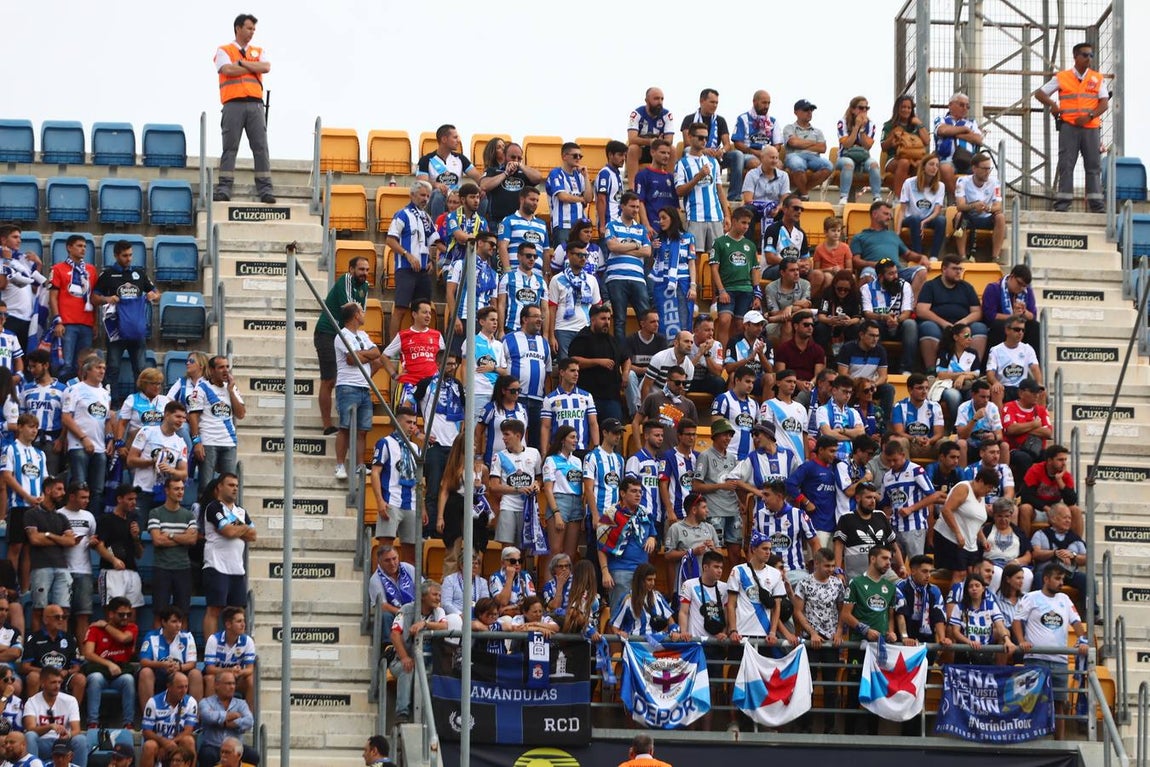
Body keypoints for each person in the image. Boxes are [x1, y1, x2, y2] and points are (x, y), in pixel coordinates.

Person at [1012, 563, 1090, 740]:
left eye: (1062, 579)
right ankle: (1029, 740)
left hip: (1060, 660)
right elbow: (1017, 621)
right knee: (1031, 702)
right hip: (1035, 658)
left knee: (1059, 703)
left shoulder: (1065, 599)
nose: (1061, 582)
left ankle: (1060, 742)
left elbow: (1077, 623)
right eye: (1057, 578)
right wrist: (1022, 641)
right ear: (1046, 579)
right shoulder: (1031, 597)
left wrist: (1083, 640)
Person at [1033, 41, 1109, 213]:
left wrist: (1089, 116)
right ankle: (1062, 205)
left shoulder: (1097, 78)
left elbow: (1104, 104)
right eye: (1084, 55)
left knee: (1093, 166)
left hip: (1090, 127)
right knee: (1066, 165)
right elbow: (1040, 93)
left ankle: (1097, 206)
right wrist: (1053, 104)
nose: (1088, 58)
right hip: (1069, 126)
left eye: (1091, 55)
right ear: (1075, 57)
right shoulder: (1062, 77)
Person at [211, 14, 273, 203]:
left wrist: (242, 63)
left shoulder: (257, 50)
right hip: (233, 105)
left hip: (255, 104)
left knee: (260, 147)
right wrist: (253, 67)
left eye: (254, 29)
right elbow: (227, 70)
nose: (252, 32)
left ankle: (265, 189)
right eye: (248, 28)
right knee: (230, 147)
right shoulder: (224, 50)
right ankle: (224, 188)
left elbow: (266, 67)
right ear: (238, 28)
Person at [839, 544, 899, 735]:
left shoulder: (890, 587)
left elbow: (890, 615)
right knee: (855, 691)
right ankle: (848, 736)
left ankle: (874, 736)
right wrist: (864, 629)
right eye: (884, 558)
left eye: (890, 559)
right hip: (860, 646)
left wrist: (891, 632)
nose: (888, 563)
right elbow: (846, 615)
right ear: (872, 559)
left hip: (880, 649)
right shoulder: (856, 583)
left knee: (876, 692)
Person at [93, 240, 159, 406]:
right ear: (116, 255)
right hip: (115, 330)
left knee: (141, 369)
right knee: (113, 367)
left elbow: (156, 292)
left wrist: (152, 295)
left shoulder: (139, 274)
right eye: (125, 256)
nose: (128, 259)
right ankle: (112, 402)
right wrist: (107, 299)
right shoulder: (107, 275)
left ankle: (141, 403)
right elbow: (94, 298)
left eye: (130, 255)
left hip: (136, 329)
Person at [313, 257, 370, 435]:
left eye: (367, 270)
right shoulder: (345, 279)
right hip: (328, 332)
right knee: (329, 379)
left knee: (361, 368)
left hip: (345, 333)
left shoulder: (365, 286)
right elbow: (349, 308)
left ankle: (341, 417)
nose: (365, 273)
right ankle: (327, 424)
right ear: (351, 269)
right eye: (361, 269)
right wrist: (357, 311)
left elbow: (361, 313)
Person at [414, 352, 464, 537]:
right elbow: (406, 406)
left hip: (454, 447)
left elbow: (465, 412)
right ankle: (430, 531)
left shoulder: (458, 386)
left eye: (454, 364)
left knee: (453, 490)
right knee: (434, 489)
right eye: (448, 364)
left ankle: (450, 531)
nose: (452, 368)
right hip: (434, 446)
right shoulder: (426, 384)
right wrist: (418, 433)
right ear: (438, 363)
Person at [199, 473, 254, 638]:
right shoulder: (214, 507)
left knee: (237, 612)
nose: (235, 488)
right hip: (217, 565)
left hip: (236, 568)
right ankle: (211, 651)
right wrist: (239, 529)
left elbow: (253, 535)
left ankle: (234, 651)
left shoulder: (240, 512)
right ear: (219, 488)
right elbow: (230, 532)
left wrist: (234, 528)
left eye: (236, 485)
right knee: (214, 609)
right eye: (230, 485)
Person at [385, 182, 440, 340]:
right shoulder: (402, 214)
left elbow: (432, 241)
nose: (426, 199)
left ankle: (420, 343)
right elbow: (390, 240)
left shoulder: (425, 217)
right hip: (406, 270)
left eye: (428, 196)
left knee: (423, 310)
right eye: (422, 195)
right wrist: (407, 255)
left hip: (423, 271)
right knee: (401, 308)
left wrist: (430, 259)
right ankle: (392, 349)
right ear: (412, 195)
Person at [916, 254, 988, 372]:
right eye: (955, 269)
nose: (959, 272)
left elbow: (977, 312)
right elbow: (921, 310)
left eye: (960, 269)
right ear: (944, 269)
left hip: (963, 330)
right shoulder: (931, 286)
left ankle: (973, 370)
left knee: (980, 327)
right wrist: (944, 323)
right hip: (940, 327)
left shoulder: (967, 287)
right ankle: (932, 371)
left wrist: (963, 322)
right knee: (927, 327)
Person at [389, 582, 448, 724]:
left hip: (429, 662)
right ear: (422, 597)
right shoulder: (406, 609)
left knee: (436, 674)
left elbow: (444, 626)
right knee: (407, 669)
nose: (438, 598)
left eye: (439, 595)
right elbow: (395, 635)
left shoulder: (438, 611)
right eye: (434, 594)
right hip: (402, 660)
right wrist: (404, 657)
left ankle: (431, 720)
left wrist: (425, 624)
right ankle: (402, 714)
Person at [187, 356, 246, 497]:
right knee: (206, 486)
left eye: (227, 366)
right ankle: (202, 515)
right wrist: (196, 442)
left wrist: (231, 391)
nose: (225, 370)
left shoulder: (231, 388)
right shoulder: (201, 388)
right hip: (208, 441)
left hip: (229, 442)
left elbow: (241, 414)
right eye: (221, 367)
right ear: (212, 370)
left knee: (229, 486)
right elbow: (193, 416)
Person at [369, 405, 423, 557]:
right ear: (398, 422)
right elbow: (375, 472)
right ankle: (380, 579)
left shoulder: (415, 448)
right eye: (408, 422)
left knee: (411, 550)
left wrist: (422, 506)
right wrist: (379, 500)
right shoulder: (385, 443)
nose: (412, 426)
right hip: (391, 500)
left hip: (411, 503)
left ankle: (407, 580)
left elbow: (419, 481)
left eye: (414, 423)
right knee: (385, 548)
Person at [598, 477, 657, 613]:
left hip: (643, 573)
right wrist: (605, 572)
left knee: (642, 614)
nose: (638, 495)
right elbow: (601, 546)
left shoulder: (645, 513)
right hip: (620, 571)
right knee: (619, 613)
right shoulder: (610, 515)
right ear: (623, 493)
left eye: (640, 492)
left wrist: (652, 538)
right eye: (633, 491)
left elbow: (652, 533)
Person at [676, 120, 732, 264]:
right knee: (695, 258)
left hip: (715, 216)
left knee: (717, 259)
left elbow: (719, 190)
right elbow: (679, 191)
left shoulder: (713, 162)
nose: (704, 141)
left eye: (706, 138)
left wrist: (726, 215)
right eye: (700, 137)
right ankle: (697, 286)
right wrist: (698, 177)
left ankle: (715, 287)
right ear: (690, 137)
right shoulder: (682, 163)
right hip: (695, 216)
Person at [60, 355, 112, 506]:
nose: (102, 371)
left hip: (100, 447)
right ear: (87, 370)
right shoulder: (75, 389)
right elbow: (66, 418)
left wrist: (110, 439)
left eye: (103, 368)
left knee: (97, 489)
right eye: (98, 368)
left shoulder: (104, 393)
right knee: (79, 487)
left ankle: (92, 524)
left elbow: (107, 419)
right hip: (78, 445)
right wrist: (83, 438)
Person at [935, 467, 1000, 586]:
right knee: (960, 573)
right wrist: (958, 533)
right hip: (951, 537)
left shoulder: (981, 495)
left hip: (969, 542)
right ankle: (952, 603)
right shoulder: (964, 488)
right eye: (989, 487)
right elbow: (946, 510)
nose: (989, 491)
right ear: (980, 481)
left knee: (971, 573)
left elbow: (975, 522)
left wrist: (983, 539)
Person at [24, 476, 74, 632]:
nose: (63, 493)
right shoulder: (32, 514)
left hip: (62, 567)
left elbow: (70, 541)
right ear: (47, 490)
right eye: (59, 489)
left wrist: (48, 535)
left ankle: (63, 647)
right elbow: (34, 539)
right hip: (40, 567)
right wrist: (60, 539)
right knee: (39, 609)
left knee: (63, 611)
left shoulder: (62, 517)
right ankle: (36, 646)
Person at [603, 193, 653, 345]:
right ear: (622, 206)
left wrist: (622, 248)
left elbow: (648, 252)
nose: (636, 210)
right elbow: (612, 246)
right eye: (632, 206)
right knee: (619, 319)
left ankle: (647, 350)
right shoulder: (611, 225)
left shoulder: (641, 229)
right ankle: (621, 355)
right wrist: (636, 245)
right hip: (616, 278)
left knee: (645, 317)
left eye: (637, 207)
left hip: (638, 278)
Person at [80, 597, 137, 730]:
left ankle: (128, 723)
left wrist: (106, 626)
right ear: (111, 614)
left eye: (128, 614)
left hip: (120, 673)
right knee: (95, 678)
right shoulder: (95, 629)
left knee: (128, 680)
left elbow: (123, 638)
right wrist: (108, 664)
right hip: (100, 671)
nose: (125, 617)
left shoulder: (132, 628)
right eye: (121, 614)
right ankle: (92, 722)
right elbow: (88, 653)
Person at [726, 531, 791, 644]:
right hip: (741, 633)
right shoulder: (738, 570)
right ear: (754, 549)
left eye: (770, 549)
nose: (768, 552)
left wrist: (772, 632)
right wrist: (733, 630)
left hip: (764, 634)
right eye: (764, 549)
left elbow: (777, 606)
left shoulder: (775, 574)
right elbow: (731, 604)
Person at [681, 89, 743, 202]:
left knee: (738, 155)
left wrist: (722, 151)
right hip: (696, 153)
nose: (715, 105)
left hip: (716, 155)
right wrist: (703, 150)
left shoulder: (720, 120)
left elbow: (727, 144)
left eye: (716, 103)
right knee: (686, 150)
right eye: (712, 102)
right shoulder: (689, 119)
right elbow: (687, 142)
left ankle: (734, 196)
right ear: (701, 101)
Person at [880, 439, 938, 560]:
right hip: (894, 528)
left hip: (914, 525)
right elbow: (885, 503)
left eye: (894, 460)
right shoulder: (886, 476)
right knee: (895, 566)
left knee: (916, 564)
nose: (891, 464)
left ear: (903, 455)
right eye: (888, 460)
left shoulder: (916, 470)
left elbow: (933, 496)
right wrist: (886, 516)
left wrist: (911, 508)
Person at [547, 236, 602, 362]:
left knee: (586, 367)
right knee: (565, 366)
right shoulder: (557, 279)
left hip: (585, 328)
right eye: (579, 255)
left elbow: (597, 307)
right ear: (568, 255)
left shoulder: (591, 280)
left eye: (585, 255)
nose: (583, 258)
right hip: (563, 329)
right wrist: (551, 336)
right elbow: (552, 309)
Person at [567, 303, 626, 423]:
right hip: (588, 396)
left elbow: (626, 357)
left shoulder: (612, 340)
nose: (607, 322)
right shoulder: (582, 338)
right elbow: (573, 361)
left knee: (614, 432)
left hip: (611, 396)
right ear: (593, 319)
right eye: (603, 319)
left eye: (609, 319)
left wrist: (625, 374)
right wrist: (598, 362)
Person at [503, 306, 552, 448]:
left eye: (541, 317)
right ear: (524, 319)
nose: (540, 320)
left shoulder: (544, 343)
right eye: (536, 316)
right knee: (515, 437)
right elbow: (501, 368)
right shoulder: (509, 339)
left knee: (535, 441)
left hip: (537, 400)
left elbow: (547, 372)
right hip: (516, 398)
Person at [708, 207, 756, 344]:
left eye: (748, 223)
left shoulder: (750, 245)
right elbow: (714, 269)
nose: (746, 226)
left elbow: (755, 270)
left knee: (741, 326)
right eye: (743, 222)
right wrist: (721, 290)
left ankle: (733, 357)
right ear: (734, 221)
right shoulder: (719, 242)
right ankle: (720, 359)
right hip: (727, 289)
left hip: (746, 289)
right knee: (724, 320)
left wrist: (757, 292)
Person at [22, 666, 87, 767]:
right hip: (43, 743)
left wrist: (68, 735)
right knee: (30, 736)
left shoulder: (70, 700)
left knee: (81, 739)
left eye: (59, 682)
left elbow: (76, 729)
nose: (57, 686)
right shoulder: (32, 702)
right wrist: (50, 726)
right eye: (53, 682)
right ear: (42, 683)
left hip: (63, 743)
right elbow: (30, 728)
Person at [416, 124, 483, 220]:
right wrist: (436, 184)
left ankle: (477, 226)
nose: (458, 140)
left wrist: (482, 188)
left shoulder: (460, 158)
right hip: (434, 201)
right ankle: (437, 229)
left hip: (457, 199)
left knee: (482, 196)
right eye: (455, 137)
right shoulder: (426, 160)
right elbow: (421, 184)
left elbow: (478, 177)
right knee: (438, 194)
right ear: (444, 139)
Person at [444, 229, 499, 346]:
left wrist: (492, 324)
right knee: (455, 360)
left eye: (495, 246)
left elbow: (493, 303)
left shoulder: (494, 274)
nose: (494, 248)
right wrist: (455, 319)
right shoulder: (459, 264)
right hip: (462, 318)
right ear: (480, 243)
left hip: (482, 323)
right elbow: (449, 292)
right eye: (491, 244)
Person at [648, 208, 697, 339]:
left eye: (664, 218)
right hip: (662, 284)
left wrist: (693, 286)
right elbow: (652, 264)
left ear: (673, 218)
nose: (661, 221)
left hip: (682, 282)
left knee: (683, 317)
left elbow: (692, 263)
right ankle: (667, 350)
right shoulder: (658, 239)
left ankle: (683, 349)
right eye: (660, 219)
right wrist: (653, 249)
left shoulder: (688, 238)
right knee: (664, 318)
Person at [138, 606, 203, 705]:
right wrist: (162, 665)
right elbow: (143, 661)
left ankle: (194, 717)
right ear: (163, 622)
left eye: (180, 622)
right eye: (174, 622)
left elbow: (192, 663)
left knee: (196, 674)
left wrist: (179, 667)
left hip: (180, 674)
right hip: (158, 675)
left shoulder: (187, 636)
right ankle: (148, 717)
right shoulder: (151, 636)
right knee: (145, 672)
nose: (178, 625)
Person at [20, 349, 68, 480]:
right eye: (30, 367)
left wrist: (61, 440)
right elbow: (21, 417)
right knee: (29, 477)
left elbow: (67, 418)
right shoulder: (26, 389)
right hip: (29, 442)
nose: (31, 370)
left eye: (34, 366)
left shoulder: (62, 389)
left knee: (50, 480)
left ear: (46, 365)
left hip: (52, 442)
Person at [833, 482, 896, 580]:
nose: (873, 501)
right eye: (869, 497)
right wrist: (838, 571)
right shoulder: (846, 518)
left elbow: (893, 543)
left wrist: (902, 566)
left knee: (901, 589)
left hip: (885, 576)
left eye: (875, 498)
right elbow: (838, 546)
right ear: (858, 498)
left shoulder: (881, 516)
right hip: (857, 578)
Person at [948, 572, 1015, 664]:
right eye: (971, 586)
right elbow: (955, 632)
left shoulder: (991, 605)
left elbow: (1000, 625)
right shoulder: (959, 607)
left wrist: (1007, 640)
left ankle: (1000, 670)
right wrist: (969, 642)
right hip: (965, 652)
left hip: (985, 651)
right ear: (967, 590)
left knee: (1006, 632)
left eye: (977, 585)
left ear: (983, 588)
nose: (974, 589)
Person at [787, 435, 841, 547]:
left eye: (835, 451)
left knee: (830, 563)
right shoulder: (808, 467)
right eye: (831, 451)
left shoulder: (835, 468)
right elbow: (789, 484)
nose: (834, 455)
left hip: (834, 525)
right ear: (821, 450)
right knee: (819, 561)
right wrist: (805, 502)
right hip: (816, 525)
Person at [1020, 445, 1085, 538]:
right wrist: (1046, 508)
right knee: (1025, 508)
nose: (1064, 463)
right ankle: (1024, 544)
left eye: (1065, 460)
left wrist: (1060, 481)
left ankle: (1078, 545)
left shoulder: (1065, 475)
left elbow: (1071, 500)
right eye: (1060, 460)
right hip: (1037, 509)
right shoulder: (1035, 470)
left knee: (1076, 510)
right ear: (1050, 461)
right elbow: (1026, 496)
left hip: (1056, 510)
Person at [665, 491, 720, 595]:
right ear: (694, 510)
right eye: (704, 508)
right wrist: (691, 552)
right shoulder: (676, 528)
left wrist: (714, 548)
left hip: (708, 586)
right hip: (685, 586)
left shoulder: (710, 528)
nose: (707, 511)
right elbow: (668, 555)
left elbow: (720, 556)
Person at [196, 671, 256, 767]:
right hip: (213, 746)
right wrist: (230, 716)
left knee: (253, 755)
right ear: (217, 685)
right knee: (207, 755)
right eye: (228, 683)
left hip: (235, 747)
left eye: (233, 683)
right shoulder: (206, 702)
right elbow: (208, 717)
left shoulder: (241, 703)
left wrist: (230, 722)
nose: (232, 687)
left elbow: (249, 721)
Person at [541, 426, 581, 565]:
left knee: (570, 553)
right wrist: (556, 512)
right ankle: (549, 587)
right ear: (563, 440)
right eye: (572, 437)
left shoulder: (577, 461)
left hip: (576, 502)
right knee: (555, 551)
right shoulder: (551, 460)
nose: (575, 440)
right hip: (559, 501)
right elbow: (547, 489)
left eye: (576, 437)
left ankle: (566, 586)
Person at [953, 153, 1005, 260]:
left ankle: (995, 257)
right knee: (959, 216)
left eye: (989, 169)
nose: (987, 172)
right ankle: (962, 257)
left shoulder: (995, 182)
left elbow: (998, 206)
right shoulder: (962, 181)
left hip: (987, 217)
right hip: (969, 217)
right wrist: (973, 206)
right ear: (974, 168)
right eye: (984, 169)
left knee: (1000, 217)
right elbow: (960, 206)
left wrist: (987, 208)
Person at [895, 153, 947, 261]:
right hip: (911, 218)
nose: (934, 168)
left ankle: (934, 257)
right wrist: (897, 231)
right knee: (915, 219)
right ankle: (917, 255)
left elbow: (937, 211)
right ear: (923, 166)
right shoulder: (909, 183)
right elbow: (902, 210)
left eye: (937, 165)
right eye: (931, 164)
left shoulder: (940, 186)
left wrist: (924, 222)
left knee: (941, 220)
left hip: (928, 219)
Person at [140, 670, 197, 767]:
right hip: (158, 743)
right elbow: (146, 731)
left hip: (179, 743)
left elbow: (188, 730)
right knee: (149, 746)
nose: (184, 690)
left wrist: (170, 743)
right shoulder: (153, 702)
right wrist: (163, 743)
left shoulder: (191, 702)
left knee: (189, 741)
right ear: (169, 686)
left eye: (186, 687)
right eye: (180, 687)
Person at [539, 360, 598, 454]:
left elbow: (593, 423)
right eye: (572, 371)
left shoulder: (587, 396)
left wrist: (596, 447)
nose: (576, 374)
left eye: (578, 371)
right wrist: (544, 452)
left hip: (581, 449)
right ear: (562, 372)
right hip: (558, 451)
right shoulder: (550, 399)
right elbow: (546, 427)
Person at [480, 141, 543, 229]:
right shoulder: (493, 171)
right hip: (498, 222)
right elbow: (484, 186)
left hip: (520, 222)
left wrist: (521, 166)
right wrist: (505, 174)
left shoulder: (524, 173)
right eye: (513, 157)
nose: (516, 161)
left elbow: (538, 178)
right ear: (504, 156)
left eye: (519, 158)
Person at [1029, 503, 1087, 596]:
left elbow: (1086, 559)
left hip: (1069, 574)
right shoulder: (1040, 534)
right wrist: (1055, 553)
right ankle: (1039, 607)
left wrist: (1073, 555)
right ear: (1053, 519)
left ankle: (1091, 609)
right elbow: (1035, 553)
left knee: (1085, 579)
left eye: (1070, 518)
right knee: (1038, 576)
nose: (1068, 521)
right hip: (1046, 572)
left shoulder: (1075, 538)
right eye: (1065, 518)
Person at [835, 96, 884, 204]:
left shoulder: (870, 124)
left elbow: (867, 146)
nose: (864, 111)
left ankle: (877, 197)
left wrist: (862, 129)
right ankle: (844, 197)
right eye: (861, 108)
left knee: (874, 165)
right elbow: (847, 144)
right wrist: (856, 127)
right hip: (845, 156)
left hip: (863, 158)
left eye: (867, 108)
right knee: (848, 164)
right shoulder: (842, 122)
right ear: (852, 109)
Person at [880, 96, 929, 204]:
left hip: (915, 158)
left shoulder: (915, 126)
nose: (906, 110)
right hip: (894, 159)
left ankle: (917, 198)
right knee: (904, 162)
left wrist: (919, 124)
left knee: (921, 164)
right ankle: (898, 198)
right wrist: (893, 136)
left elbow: (926, 141)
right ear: (897, 108)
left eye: (909, 108)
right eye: (903, 107)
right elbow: (883, 146)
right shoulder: (889, 125)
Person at [934, 92, 984, 198]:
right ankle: (956, 200)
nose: (965, 108)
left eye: (967, 106)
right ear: (951, 105)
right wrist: (965, 130)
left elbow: (978, 139)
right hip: (947, 159)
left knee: (982, 169)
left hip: (968, 160)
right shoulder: (942, 120)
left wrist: (954, 133)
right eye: (961, 105)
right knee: (945, 169)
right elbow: (942, 130)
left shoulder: (971, 123)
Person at [611, 563, 681, 638]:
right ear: (640, 580)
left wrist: (674, 631)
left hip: (657, 641)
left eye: (654, 579)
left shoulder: (657, 596)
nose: (652, 583)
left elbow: (671, 621)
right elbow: (615, 626)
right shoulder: (628, 599)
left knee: (693, 645)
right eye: (649, 580)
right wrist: (620, 633)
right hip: (636, 644)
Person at [894, 554, 950, 647]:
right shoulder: (900, 586)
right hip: (904, 642)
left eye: (930, 572)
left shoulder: (934, 590)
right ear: (913, 571)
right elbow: (900, 613)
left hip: (927, 640)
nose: (928, 575)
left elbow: (939, 615)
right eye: (924, 571)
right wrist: (904, 637)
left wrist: (942, 638)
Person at [982, 263, 1040, 353]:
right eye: (1019, 283)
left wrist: (1024, 312)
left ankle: (1034, 362)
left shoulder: (1027, 291)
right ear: (1012, 276)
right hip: (1000, 324)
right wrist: (1012, 316)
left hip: (1020, 322)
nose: (1021, 288)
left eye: (1024, 286)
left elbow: (1033, 316)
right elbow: (989, 315)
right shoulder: (993, 288)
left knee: (1034, 326)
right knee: (999, 326)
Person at [782, 99, 834, 200]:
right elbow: (793, 142)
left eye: (811, 110)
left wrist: (800, 143)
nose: (809, 112)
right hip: (794, 155)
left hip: (813, 157)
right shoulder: (789, 128)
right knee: (798, 165)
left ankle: (801, 192)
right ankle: (805, 195)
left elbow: (822, 148)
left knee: (829, 166)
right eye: (806, 110)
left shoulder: (818, 131)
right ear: (796, 112)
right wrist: (814, 143)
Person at [986, 317, 1042, 410]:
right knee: (996, 390)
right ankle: (999, 423)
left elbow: (1035, 368)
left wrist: (1039, 383)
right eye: (1017, 329)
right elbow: (990, 373)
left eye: (1023, 330)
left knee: (1042, 391)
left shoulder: (1027, 348)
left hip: (1022, 387)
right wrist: (995, 382)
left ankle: (1041, 421)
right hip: (1004, 387)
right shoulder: (995, 350)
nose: (1020, 333)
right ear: (1007, 330)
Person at [626, 88, 676, 190]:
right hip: (642, 151)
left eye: (662, 99)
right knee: (633, 148)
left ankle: (669, 187)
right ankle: (633, 188)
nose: (660, 102)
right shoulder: (636, 114)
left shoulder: (667, 115)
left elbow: (669, 140)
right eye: (656, 99)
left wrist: (655, 142)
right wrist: (650, 141)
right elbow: (631, 139)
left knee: (673, 149)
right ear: (647, 100)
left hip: (659, 150)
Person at [202, 606, 256, 700]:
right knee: (210, 679)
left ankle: (249, 714)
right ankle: (210, 713)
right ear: (228, 624)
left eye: (243, 621)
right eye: (239, 621)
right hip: (217, 679)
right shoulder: (214, 639)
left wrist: (239, 672)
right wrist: (229, 671)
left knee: (251, 679)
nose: (243, 624)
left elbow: (250, 669)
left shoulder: (248, 641)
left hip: (237, 678)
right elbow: (209, 669)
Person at [366, 545, 416, 643]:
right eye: (387, 560)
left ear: (398, 557)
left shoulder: (408, 568)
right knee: (385, 616)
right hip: (395, 614)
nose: (392, 563)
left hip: (415, 610)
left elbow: (423, 588)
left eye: (394, 558)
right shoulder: (375, 579)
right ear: (379, 562)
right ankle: (388, 647)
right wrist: (403, 612)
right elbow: (382, 606)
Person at [497, 188, 551, 277]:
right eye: (532, 199)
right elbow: (502, 247)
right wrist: (508, 272)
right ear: (522, 199)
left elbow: (546, 252)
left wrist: (546, 275)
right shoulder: (508, 220)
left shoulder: (542, 224)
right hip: (515, 273)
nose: (535, 203)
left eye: (537, 200)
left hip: (537, 276)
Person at [546, 143, 594, 245]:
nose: (578, 159)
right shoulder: (556, 173)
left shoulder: (580, 175)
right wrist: (581, 199)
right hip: (562, 224)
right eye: (575, 155)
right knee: (564, 257)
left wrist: (586, 176)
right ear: (564, 157)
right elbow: (562, 196)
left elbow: (589, 198)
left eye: (580, 156)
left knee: (580, 256)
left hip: (579, 225)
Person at [981, 498, 1034, 588]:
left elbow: (1028, 555)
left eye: (1007, 516)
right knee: (997, 572)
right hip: (991, 563)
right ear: (994, 516)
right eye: (1000, 516)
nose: (1003, 519)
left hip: (1013, 564)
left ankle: (1021, 600)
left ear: (1011, 516)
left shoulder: (1019, 532)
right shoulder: (986, 530)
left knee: (1027, 574)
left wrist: (1016, 561)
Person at [890, 373, 945, 460]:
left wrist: (930, 441)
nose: (924, 392)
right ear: (910, 390)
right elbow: (898, 432)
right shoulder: (899, 406)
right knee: (900, 441)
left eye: (926, 388)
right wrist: (915, 439)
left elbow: (939, 433)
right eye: (920, 388)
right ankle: (905, 472)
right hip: (910, 445)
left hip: (929, 445)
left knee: (945, 443)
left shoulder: (935, 406)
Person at [496, 242, 546, 337]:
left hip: (534, 332)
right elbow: (501, 305)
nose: (532, 259)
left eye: (534, 256)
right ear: (519, 256)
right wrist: (500, 330)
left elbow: (545, 310)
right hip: (511, 328)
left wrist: (546, 335)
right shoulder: (507, 277)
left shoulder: (541, 282)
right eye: (528, 256)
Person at [476, 375, 528, 465]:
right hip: (494, 458)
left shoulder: (523, 409)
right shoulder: (491, 408)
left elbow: (526, 433)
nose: (516, 393)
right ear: (503, 391)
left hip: (520, 459)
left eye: (518, 390)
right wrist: (478, 455)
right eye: (513, 391)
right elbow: (478, 432)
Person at [658, 418, 700, 531]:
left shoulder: (699, 457)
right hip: (676, 515)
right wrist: (670, 511)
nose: (692, 437)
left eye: (694, 434)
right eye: (688, 434)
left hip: (696, 516)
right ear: (679, 436)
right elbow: (663, 485)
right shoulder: (668, 456)